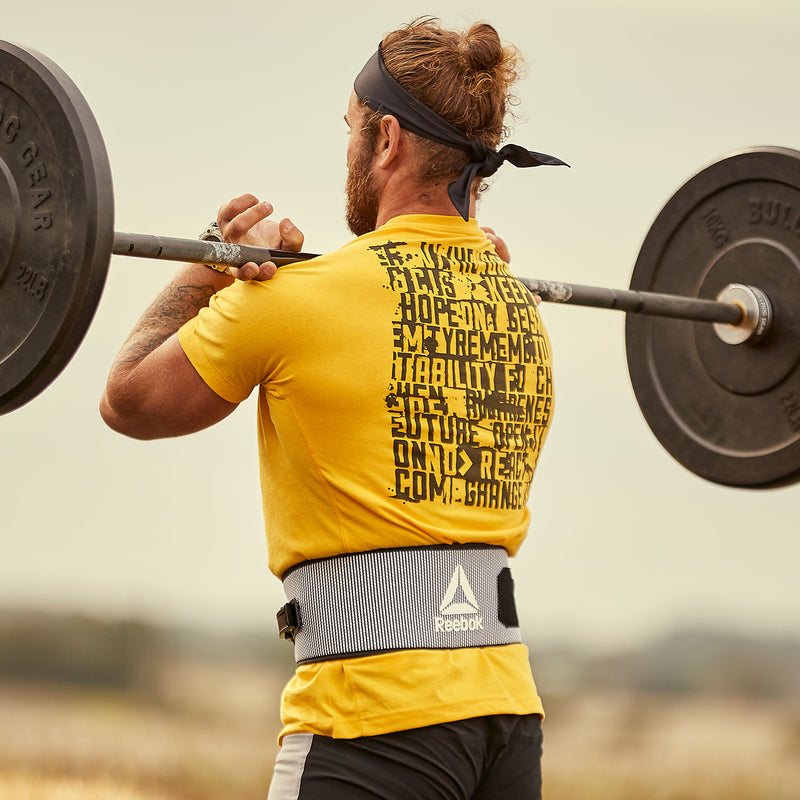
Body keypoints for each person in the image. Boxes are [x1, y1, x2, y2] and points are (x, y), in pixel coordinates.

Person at [100, 17, 565, 800]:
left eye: (350, 131)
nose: (346, 150)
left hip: (370, 720)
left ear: (385, 141)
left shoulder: (292, 300)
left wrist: (211, 260)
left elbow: (130, 399)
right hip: (507, 723)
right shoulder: (517, 306)